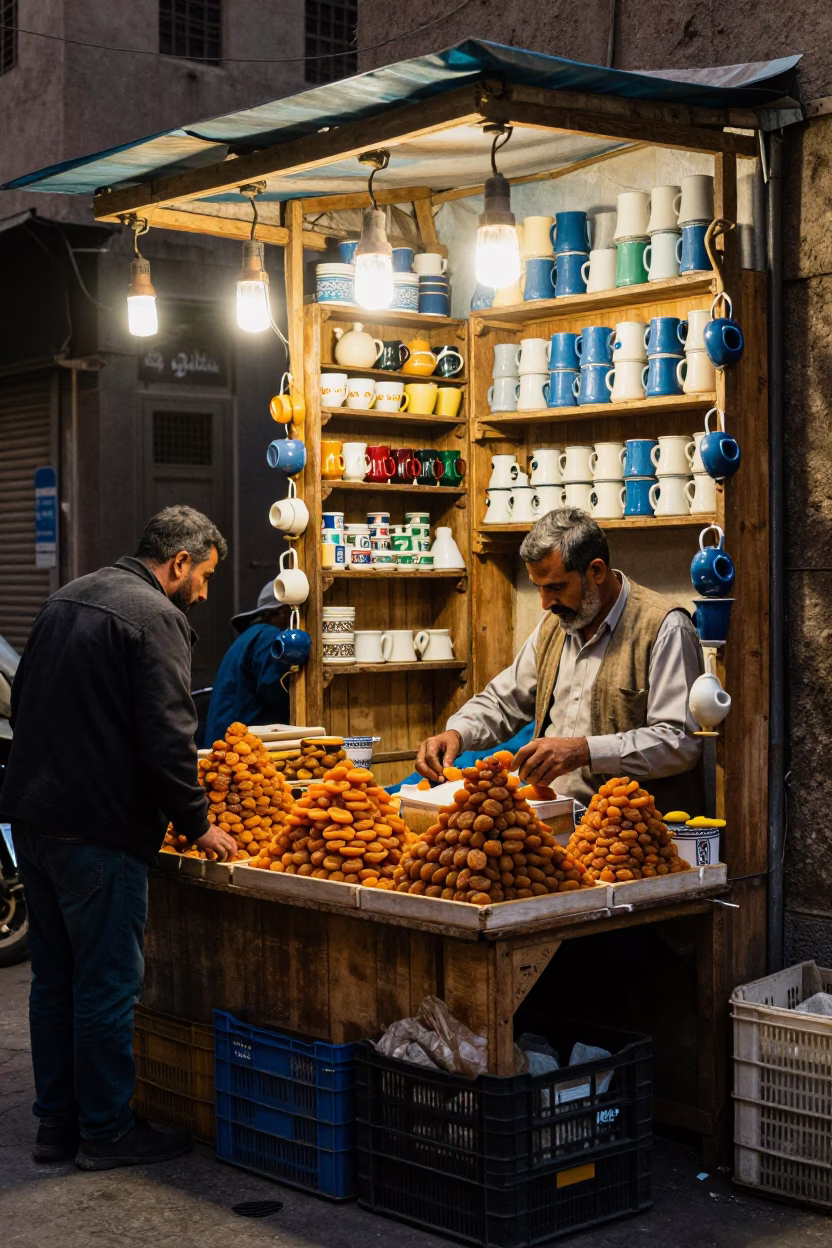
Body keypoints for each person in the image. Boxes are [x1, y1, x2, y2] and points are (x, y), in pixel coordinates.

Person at [0, 506, 237, 1171]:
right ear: (180, 562)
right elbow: (169, 737)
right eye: (205, 576)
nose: (204, 593)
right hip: (97, 833)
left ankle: (57, 1127)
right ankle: (106, 1132)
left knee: (54, 981)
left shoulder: (67, 597)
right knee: (105, 987)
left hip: (34, 822)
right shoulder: (155, 617)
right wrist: (197, 822)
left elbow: (25, 703)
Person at [417, 508, 705, 813]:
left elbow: (679, 741)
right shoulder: (555, 626)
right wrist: (457, 733)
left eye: (555, 587)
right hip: (554, 819)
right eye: (538, 588)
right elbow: (503, 702)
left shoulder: (665, 627)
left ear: (596, 571)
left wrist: (584, 751)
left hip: (632, 829)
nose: (545, 603)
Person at [203, 582, 291, 746]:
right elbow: (276, 691)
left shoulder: (250, 637)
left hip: (225, 743)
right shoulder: (269, 637)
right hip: (239, 748)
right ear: (283, 612)